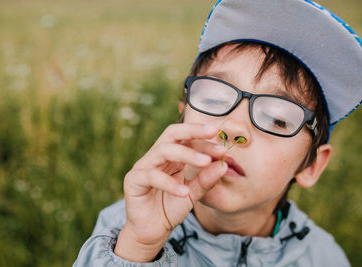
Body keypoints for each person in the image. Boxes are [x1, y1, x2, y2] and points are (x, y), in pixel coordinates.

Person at [74, 0, 362, 266]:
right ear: (182, 118)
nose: (234, 127)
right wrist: (138, 246)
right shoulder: (123, 228)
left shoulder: (324, 258)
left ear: (312, 165)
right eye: (213, 99)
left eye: (278, 119)